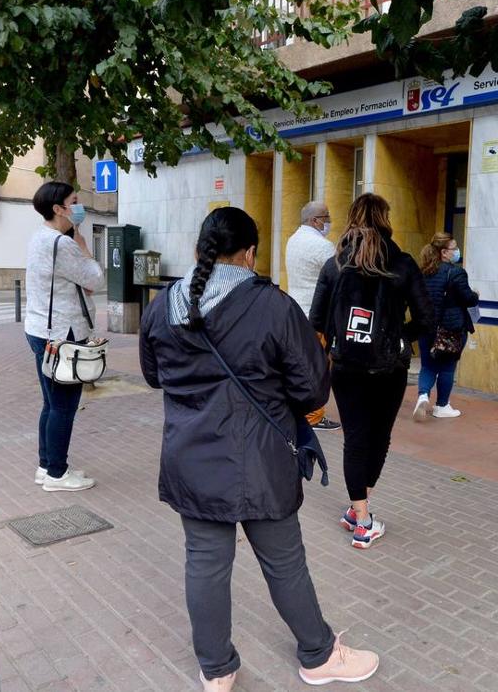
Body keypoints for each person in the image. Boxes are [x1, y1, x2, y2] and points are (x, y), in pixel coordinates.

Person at [139, 207, 379, 691]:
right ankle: (317, 655)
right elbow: (313, 389)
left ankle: (216, 670)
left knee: (204, 563)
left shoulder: (163, 305)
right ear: (250, 253)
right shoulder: (272, 305)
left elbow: (153, 375)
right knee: (285, 561)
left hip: (190, 459)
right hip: (259, 460)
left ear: (199, 249)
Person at [310, 194, 432, 549]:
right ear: (385, 219)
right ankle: (363, 519)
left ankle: (357, 510)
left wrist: (339, 338)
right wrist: (399, 338)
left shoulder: (334, 265)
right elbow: (427, 319)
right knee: (378, 438)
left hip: (345, 366)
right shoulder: (403, 263)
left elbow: (316, 320)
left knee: (355, 438)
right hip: (388, 368)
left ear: (351, 219)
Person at [25, 181, 105, 492]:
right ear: (59, 209)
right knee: (63, 407)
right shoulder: (63, 244)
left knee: (50, 404)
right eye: (74, 201)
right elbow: (94, 279)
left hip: (41, 330)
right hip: (61, 334)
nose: (78, 205)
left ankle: (47, 466)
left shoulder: (40, 239)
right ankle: (57, 474)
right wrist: (84, 246)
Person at [284, 200, 341, 431]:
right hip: (317, 316)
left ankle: (298, 409)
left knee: (299, 365)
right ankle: (314, 416)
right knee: (317, 367)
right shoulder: (323, 246)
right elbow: (337, 281)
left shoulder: (293, 240)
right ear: (315, 220)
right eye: (326, 217)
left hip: (295, 310)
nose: (329, 221)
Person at [414, 232, 480, 421]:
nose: (457, 251)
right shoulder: (455, 272)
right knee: (447, 367)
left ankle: (423, 395)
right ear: (444, 252)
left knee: (427, 365)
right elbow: (468, 298)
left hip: (427, 326)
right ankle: (441, 405)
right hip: (450, 328)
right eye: (454, 248)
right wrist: (475, 295)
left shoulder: (423, 272)